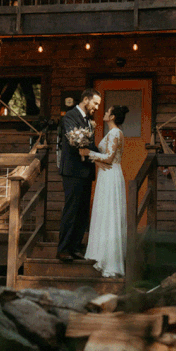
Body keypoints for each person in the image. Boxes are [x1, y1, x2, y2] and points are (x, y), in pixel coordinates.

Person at [57, 88, 100, 262]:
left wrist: (105, 154)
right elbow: (74, 140)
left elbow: (90, 145)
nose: (97, 107)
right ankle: (63, 249)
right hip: (73, 171)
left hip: (86, 172)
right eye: (95, 103)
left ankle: (75, 247)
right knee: (71, 210)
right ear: (85, 100)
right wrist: (94, 152)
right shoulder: (69, 116)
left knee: (82, 212)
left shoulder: (88, 120)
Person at [84, 105, 128, 277]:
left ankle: (110, 260)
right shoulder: (112, 133)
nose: (105, 113)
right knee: (105, 212)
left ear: (113, 116)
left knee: (110, 213)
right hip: (106, 175)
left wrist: (89, 153)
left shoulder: (116, 133)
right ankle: (101, 253)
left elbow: (109, 158)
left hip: (111, 174)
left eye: (108, 112)